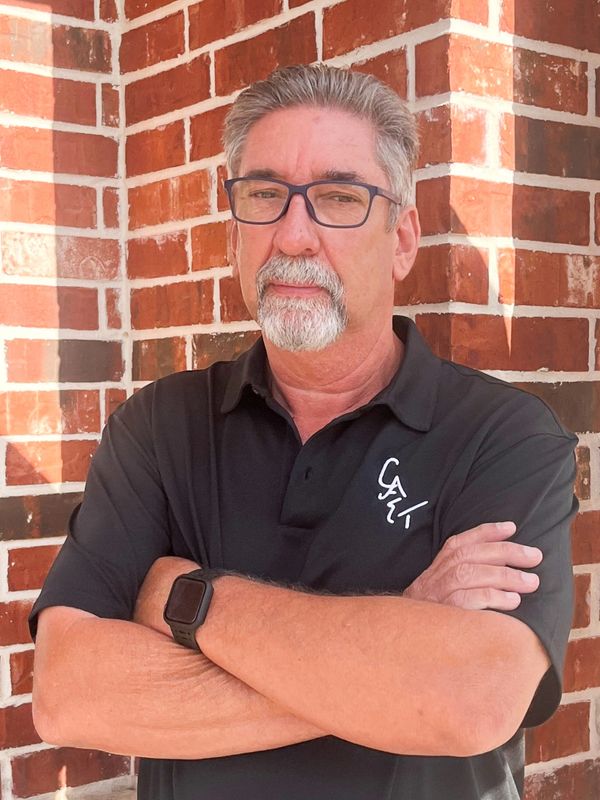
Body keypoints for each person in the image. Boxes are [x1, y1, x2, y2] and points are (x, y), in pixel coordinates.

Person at [30, 64, 577, 800]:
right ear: (235, 229)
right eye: (264, 195)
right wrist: (398, 643)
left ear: (401, 239)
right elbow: (70, 695)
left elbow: (473, 699)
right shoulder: (158, 428)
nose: (293, 235)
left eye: (339, 198)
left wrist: (184, 597)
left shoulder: (504, 437)